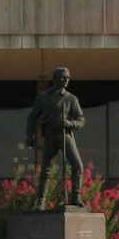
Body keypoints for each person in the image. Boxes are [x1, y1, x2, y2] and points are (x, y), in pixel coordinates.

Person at [25, 67, 85, 209]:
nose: (66, 80)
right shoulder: (43, 97)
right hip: (51, 135)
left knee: (77, 165)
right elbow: (32, 117)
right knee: (46, 169)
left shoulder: (71, 99)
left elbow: (81, 120)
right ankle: (41, 202)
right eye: (63, 77)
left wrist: (70, 123)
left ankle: (76, 197)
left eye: (68, 78)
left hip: (65, 135)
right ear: (55, 78)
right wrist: (30, 135)